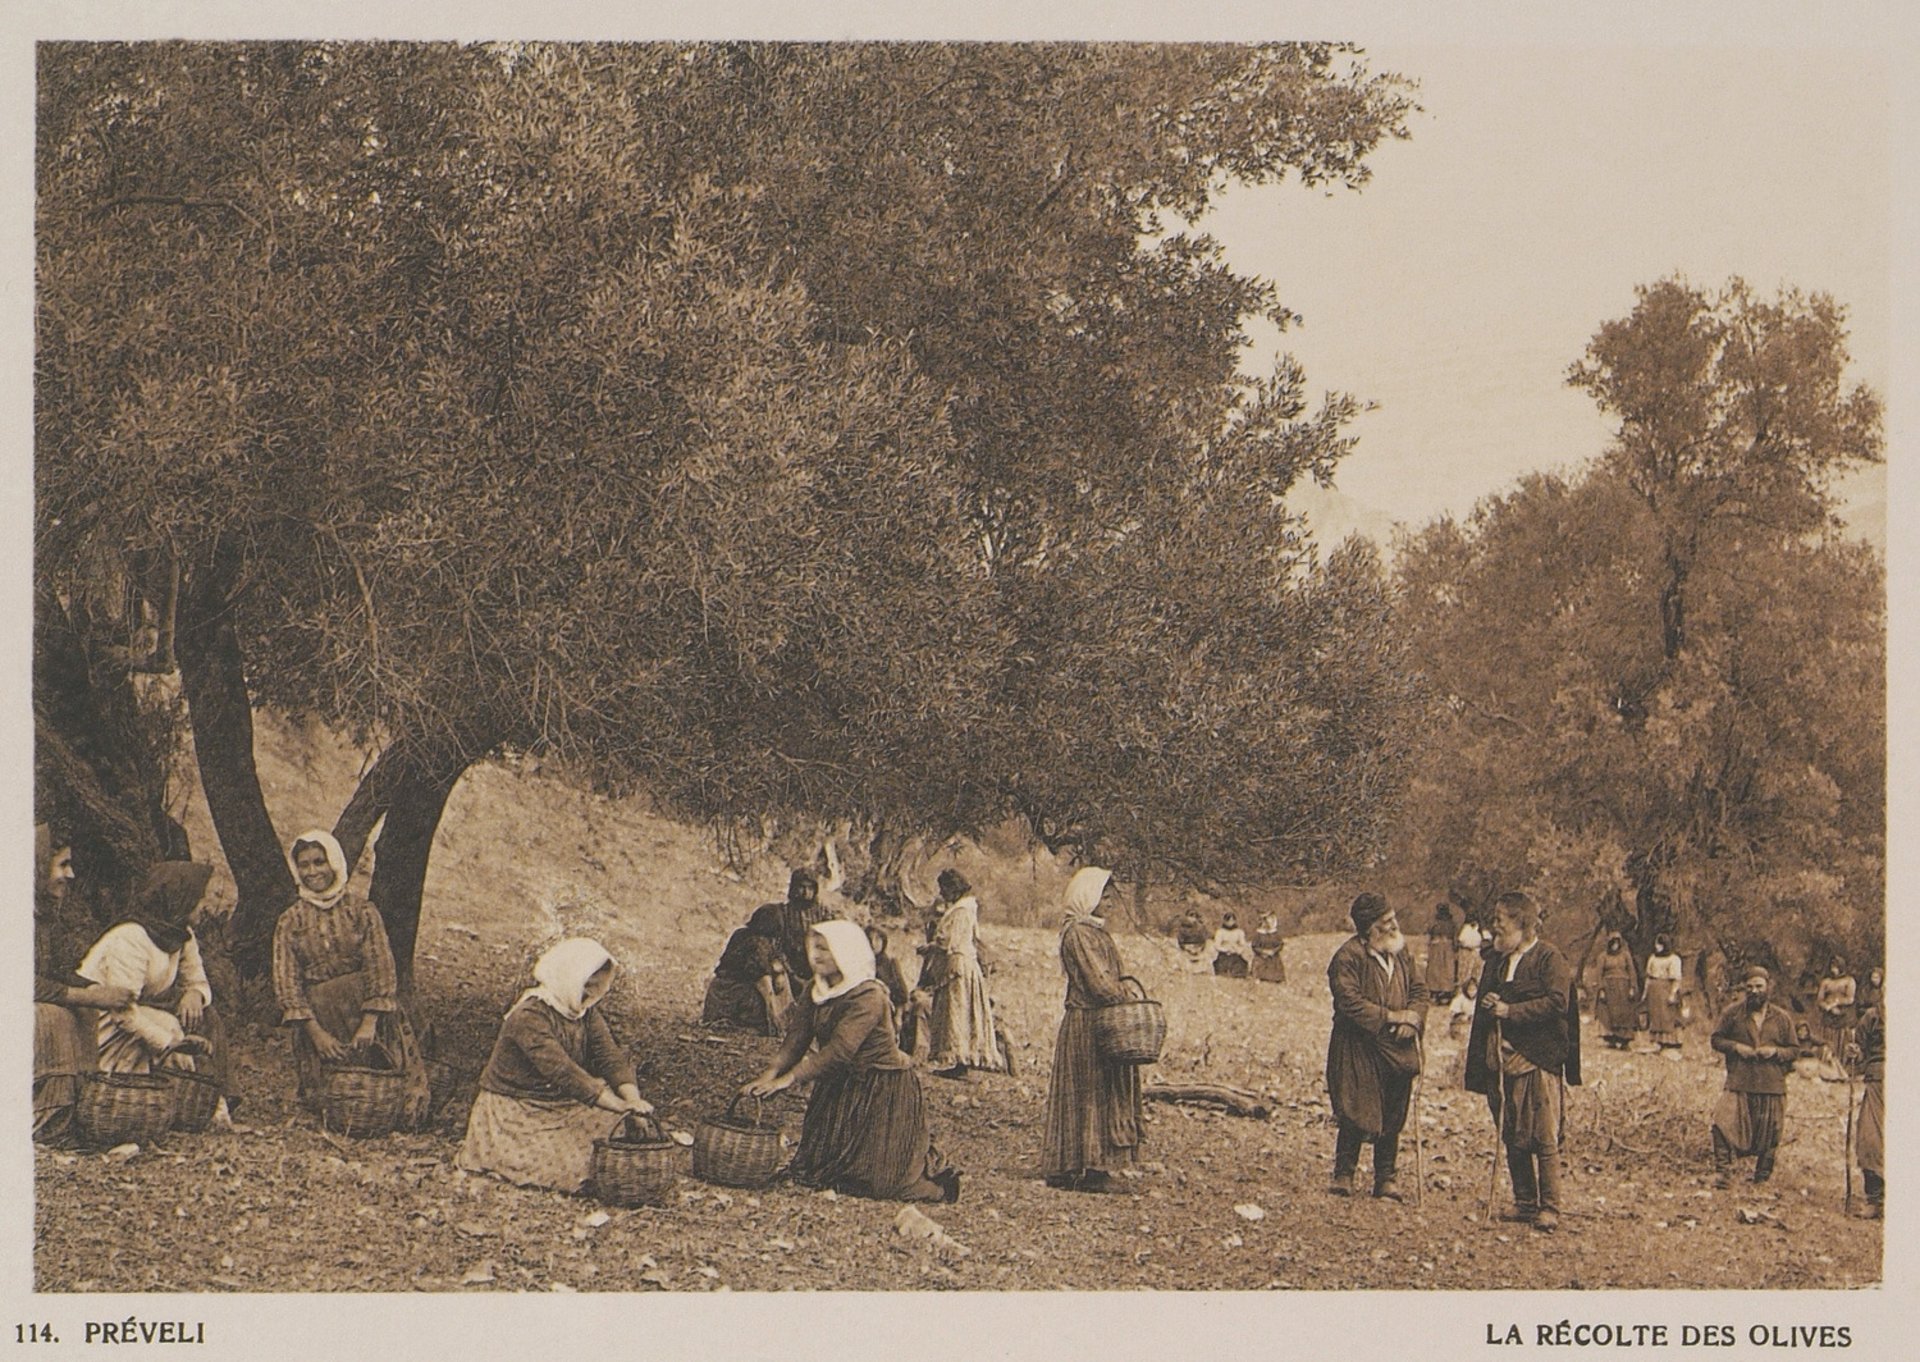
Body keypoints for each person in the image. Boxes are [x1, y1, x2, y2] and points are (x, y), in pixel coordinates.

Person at [742, 921, 957, 1203]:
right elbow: (795, 1041)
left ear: (846, 953)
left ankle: (937, 1186)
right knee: (820, 1172)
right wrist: (768, 1074)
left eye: (826, 949)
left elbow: (840, 1050)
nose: (816, 955)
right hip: (839, 1086)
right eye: (815, 947)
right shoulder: (814, 990)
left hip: (882, 1088)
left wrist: (788, 1080)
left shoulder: (869, 995)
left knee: (878, 1184)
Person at [457, 939, 654, 1193]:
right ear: (569, 977)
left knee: (622, 1135)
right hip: (519, 1109)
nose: (589, 994)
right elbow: (562, 1071)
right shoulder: (529, 1016)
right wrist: (620, 1107)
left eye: (595, 987)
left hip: (564, 1103)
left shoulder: (583, 1013)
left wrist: (633, 1102)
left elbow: (610, 1058)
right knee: (575, 1168)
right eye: (585, 985)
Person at [270, 830, 431, 1128]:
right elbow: (287, 983)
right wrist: (317, 1035)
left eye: (319, 862)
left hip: (365, 1011)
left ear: (335, 862)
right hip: (321, 1016)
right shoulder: (290, 921)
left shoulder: (362, 912)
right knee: (334, 1100)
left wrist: (369, 1023)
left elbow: (381, 966)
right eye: (304, 865)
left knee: (388, 1088)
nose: (312, 872)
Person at [1465, 890, 1580, 1232]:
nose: (1495, 927)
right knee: (1511, 1133)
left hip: (1538, 1060)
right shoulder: (1498, 960)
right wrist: (1491, 1003)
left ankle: (1550, 1207)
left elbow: (1558, 1002)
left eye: (1501, 921)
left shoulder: (1549, 958)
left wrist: (1511, 1011)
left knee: (1543, 1135)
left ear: (1523, 923)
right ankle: (1525, 1202)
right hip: (1500, 1062)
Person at [76, 861, 228, 1113]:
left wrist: (194, 993)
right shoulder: (131, 938)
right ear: (180, 898)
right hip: (98, 1023)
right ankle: (154, 1098)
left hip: (134, 1014)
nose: (205, 906)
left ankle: (213, 1095)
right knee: (168, 1026)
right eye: (199, 898)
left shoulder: (180, 934)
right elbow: (121, 1011)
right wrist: (168, 1042)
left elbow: (197, 979)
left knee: (205, 1016)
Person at [1041, 867, 1144, 1192]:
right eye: (1105, 896)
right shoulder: (1079, 934)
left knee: (1096, 1092)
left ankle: (1080, 1165)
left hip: (1100, 1021)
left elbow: (1115, 975)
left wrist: (1127, 986)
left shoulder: (1096, 932)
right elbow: (1099, 984)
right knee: (1090, 1092)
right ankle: (1091, 1169)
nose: (1111, 902)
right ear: (1089, 899)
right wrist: (1123, 995)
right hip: (1088, 1024)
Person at [33, 826, 137, 1145]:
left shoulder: (47, 917)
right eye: (63, 865)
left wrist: (95, 991)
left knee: (85, 1009)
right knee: (56, 1016)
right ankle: (46, 1120)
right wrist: (83, 996)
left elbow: (60, 971)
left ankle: (81, 1108)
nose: (71, 874)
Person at [1324, 892, 1426, 1200]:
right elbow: (1349, 1002)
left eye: (1393, 918)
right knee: (1356, 1106)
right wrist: (1390, 1016)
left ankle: (1386, 1177)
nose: (1395, 925)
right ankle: (1344, 1174)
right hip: (1358, 1044)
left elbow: (1420, 991)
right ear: (1369, 928)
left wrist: (1413, 1020)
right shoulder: (1347, 957)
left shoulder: (1401, 953)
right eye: (1386, 922)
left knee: (1394, 1107)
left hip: (1397, 1045)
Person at [1708, 963, 1801, 1189]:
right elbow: (1716, 1039)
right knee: (1722, 1123)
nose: (1754, 991)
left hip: (1771, 1084)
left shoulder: (1782, 1018)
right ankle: (1724, 1173)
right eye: (1749, 987)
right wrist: (1736, 1048)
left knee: (1770, 1134)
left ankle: (1762, 1178)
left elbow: (1795, 1050)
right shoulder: (1733, 1014)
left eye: (1759, 986)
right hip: (1740, 1080)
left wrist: (1776, 1052)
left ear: (1768, 987)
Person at [923, 870, 1007, 1077]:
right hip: (961, 961)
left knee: (958, 1010)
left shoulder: (962, 911)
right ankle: (960, 1061)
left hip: (958, 963)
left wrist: (931, 947)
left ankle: (961, 1061)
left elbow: (952, 942)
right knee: (961, 1011)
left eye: (944, 889)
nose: (942, 894)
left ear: (953, 888)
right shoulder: (964, 909)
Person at [701, 903, 793, 1036]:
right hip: (732, 992)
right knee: (759, 1006)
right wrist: (774, 1014)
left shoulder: (741, 934)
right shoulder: (758, 942)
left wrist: (778, 974)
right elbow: (763, 982)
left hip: (717, 990)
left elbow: (776, 960)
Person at [770, 869, 831, 995]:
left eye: (810, 888)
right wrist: (790, 975)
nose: (805, 893)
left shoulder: (823, 913)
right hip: (788, 971)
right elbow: (777, 947)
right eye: (801, 887)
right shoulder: (783, 913)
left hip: (816, 972)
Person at [1852, 986, 1884, 1218]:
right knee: (1870, 1138)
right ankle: (1875, 1199)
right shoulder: (1872, 1017)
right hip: (1878, 1082)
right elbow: (1860, 1050)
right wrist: (1855, 1052)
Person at [1816, 957, 1857, 1080]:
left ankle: (1843, 1070)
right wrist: (1827, 1007)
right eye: (1832, 967)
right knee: (1828, 1041)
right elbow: (1820, 999)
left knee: (1842, 1041)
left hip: (1843, 1015)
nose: (1833, 970)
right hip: (1828, 1016)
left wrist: (1837, 1003)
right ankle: (1827, 1071)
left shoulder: (1849, 981)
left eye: (1836, 967)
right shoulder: (1826, 982)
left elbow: (1850, 998)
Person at [1596, 933, 1639, 1049]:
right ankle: (1612, 1039)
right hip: (1609, 988)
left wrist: (1632, 987)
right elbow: (1599, 974)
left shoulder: (1625, 955)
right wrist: (1601, 989)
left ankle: (1624, 1040)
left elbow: (1632, 972)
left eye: (1617, 943)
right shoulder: (1603, 956)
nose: (1615, 946)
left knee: (1625, 1013)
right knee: (1609, 1013)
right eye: (1612, 943)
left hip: (1623, 988)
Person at [1644, 935, 1684, 1050]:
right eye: (1656, 944)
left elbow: (1676, 979)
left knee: (1668, 1015)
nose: (1657, 947)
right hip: (1654, 990)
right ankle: (1658, 1040)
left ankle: (1671, 1041)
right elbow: (1648, 976)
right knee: (1656, 1015)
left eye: (1660, 945)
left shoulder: (1673, 959)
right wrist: (1645, 993)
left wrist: (1672, 993)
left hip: (1667, 988)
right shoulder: (1653, 958)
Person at [1211, 912, 1252, 979]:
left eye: (1232, 920)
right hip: (1224, 954)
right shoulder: (1220, 931)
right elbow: (1217, 945)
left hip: (1235, 953)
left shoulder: (1239, 932)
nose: (1230, 922)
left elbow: (1243, 944)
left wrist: (1237, 950)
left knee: (1239, 967)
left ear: (1235, 921)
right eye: (1228, 921)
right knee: (1221, 967)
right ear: (1224, 921)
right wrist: (1226, 949)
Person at [1250, 911, 1287, 984]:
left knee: (1276, 965)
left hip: (1273, 956)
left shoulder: (1275, 933)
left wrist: (1273, 951)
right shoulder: (1259, 933)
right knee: (1259, 963)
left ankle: (1277, 978)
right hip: (1261, 956)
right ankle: (1259, 976)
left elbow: (1280, 944)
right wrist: (1263, 951)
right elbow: (1254, 946)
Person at [1455, 916, 1485, 992]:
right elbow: (1461, 941)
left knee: (1475, 972)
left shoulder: (1478, 929)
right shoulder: (1465, 929)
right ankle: (1462, 989)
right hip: (1466, 952)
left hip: (1475, 952)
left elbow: (1481, 941)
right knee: (1465, 972)